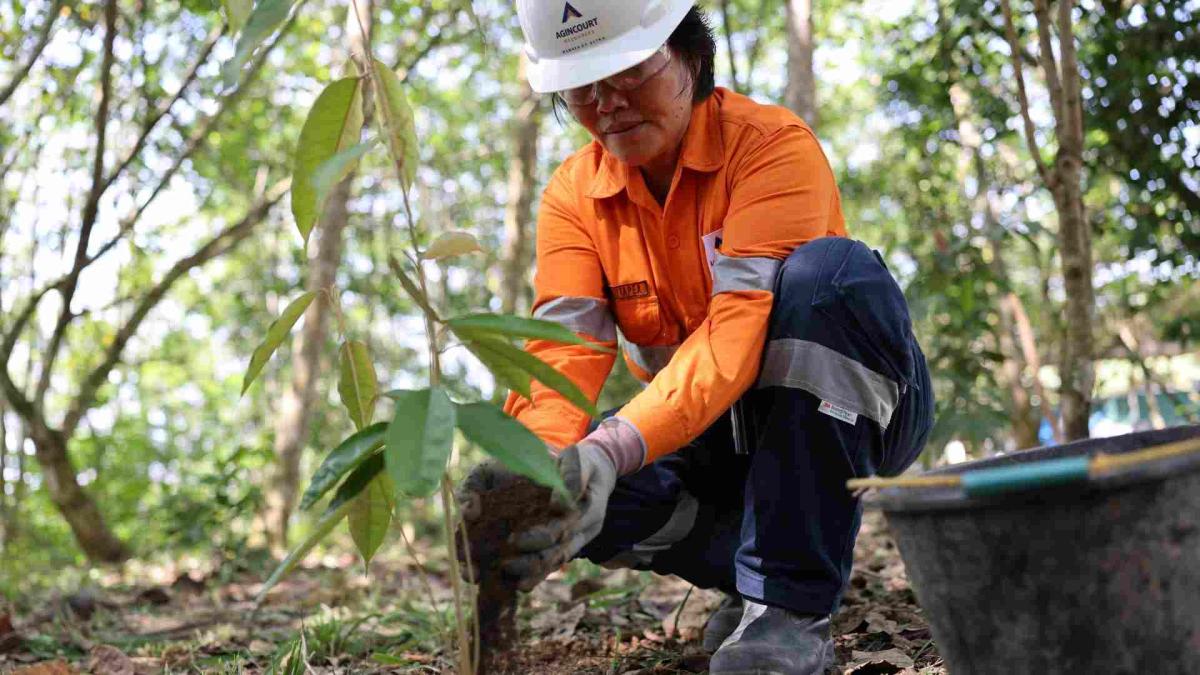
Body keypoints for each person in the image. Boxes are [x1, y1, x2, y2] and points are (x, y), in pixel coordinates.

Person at [457, 1, 934, 672]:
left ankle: (787, 605)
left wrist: (612, 447)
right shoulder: (573, 197)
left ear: (691, 53)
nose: (608, 101)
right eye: (584, 83)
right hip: (715, 436)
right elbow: (562, 353)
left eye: (628, 71)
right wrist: (536, 471)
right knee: (577, 479)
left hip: (852, 412)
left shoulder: (770, 147)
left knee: (829, 278)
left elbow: (736, 333)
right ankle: (752, 576)